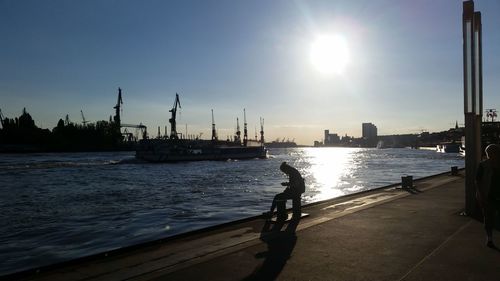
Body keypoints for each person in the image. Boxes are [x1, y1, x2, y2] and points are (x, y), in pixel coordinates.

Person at [476, 144, 500, 248]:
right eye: (489, 153)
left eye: (494, 152)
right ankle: (489, 238)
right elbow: (478, 181)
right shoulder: (483, 165)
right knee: (488, 217)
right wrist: (481, 195)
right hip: (487, 195)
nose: (491, 155)